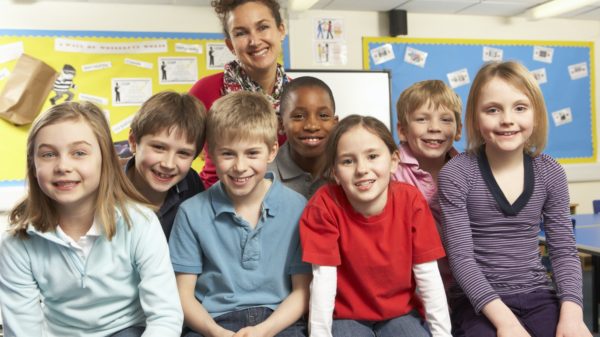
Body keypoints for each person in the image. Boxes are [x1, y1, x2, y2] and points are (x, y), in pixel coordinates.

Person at [0, 101, 183, 337]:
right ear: (33, 165)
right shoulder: (16, 243)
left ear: (104, 160)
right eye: (48, 154)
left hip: (128, 330)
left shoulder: (140, 223)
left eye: (79, 153)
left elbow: (165, 316)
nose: (63, 166)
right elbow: (23, 329)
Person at [437, 61, 592, 337]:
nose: (507, 119)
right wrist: (506, 323)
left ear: (536, 116)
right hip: (478, 303)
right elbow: (461, 259)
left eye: (520, 108)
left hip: (537, 294)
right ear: (474, 118)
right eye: (492, 109)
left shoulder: (550, 171)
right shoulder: (457, 174)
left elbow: (564, 251)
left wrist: (572, 313)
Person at [169, 91, 311, 337]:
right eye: (227, 154)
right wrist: (215, 332)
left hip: (279, 322)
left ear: (272, 150)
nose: (240, 166)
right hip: (211, 323)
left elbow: (302, 291)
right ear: (210, 154)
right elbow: (183, 294)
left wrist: (265, 330)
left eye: (252, 153)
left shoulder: (298, 208)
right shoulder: (191, 213)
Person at [300, 115, 451, 337]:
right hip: (345, 317)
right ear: (335, 173)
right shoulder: (324, 205)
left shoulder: (410, 201)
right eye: (348, 161)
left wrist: (442, 335)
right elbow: (323, 280)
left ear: (393, 161)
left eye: (372, 156)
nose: (362, 169)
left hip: (400, 313)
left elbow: (428, 275)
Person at [189, 0, 289, 188]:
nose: (254, 41)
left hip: (278, 207)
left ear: (281, 30)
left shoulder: (297, 96)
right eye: (241, 33)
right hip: (214, 204)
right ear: (230, 45)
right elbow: (178, 151)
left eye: (263, 27)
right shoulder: (205, 90)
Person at [394, 80, 462, 290]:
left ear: (458, 130)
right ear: (403, 130)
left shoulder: (468, 172)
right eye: (422, 119)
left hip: (461, 288)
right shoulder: (390, 171)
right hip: (410, 289)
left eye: (445, 119)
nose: (434, 128)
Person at [126, 91, 207, 240]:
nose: (168, 164)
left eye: (183, 153)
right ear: (133, 142)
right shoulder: (105, 188)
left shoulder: (192, 183)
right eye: (159, 147)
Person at [268, 76, 338, 199]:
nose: (312, 126)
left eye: (323, 115)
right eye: (299, 116)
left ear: (335, 123)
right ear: (281, 125)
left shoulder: (347, 172)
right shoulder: (263, 175)